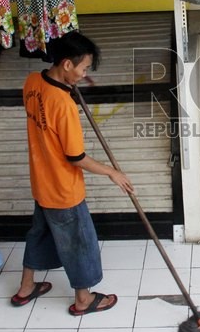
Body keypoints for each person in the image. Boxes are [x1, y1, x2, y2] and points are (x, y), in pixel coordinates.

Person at [11, 31, 134, 316]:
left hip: (41, 184)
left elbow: (43, 114)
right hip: (64, 190)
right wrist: (111, 172)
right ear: (67, 64)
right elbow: (75, 157)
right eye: (83, 68)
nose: (84, 74)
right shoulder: (63, 105)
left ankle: (26, 287)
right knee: (80, 243)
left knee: (39, 234)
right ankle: (83, 299)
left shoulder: (31, 82)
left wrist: (67, 88)